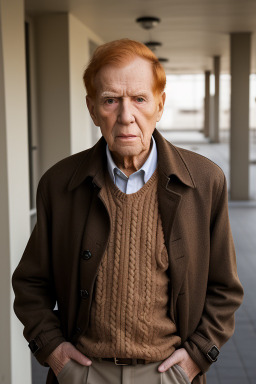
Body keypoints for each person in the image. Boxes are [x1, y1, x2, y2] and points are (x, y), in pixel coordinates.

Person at [12, 39, 243, 384]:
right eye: (110, 100)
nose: (126, 116)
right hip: (85, 373)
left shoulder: (205, 181)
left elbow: (225, 289)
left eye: (139, 99)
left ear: (160, 105)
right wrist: (55, 354)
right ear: (92, 109)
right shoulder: (59, 185)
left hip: (168, 373)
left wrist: (196, 358)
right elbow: (30, 283)